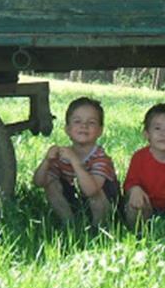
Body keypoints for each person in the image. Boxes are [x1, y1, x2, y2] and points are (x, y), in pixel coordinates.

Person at [32, 97, 119, 228]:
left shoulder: (101, 158)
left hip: (103, 205)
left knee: (96, 193)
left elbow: (91, 191)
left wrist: (75, 161)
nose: (84, 126)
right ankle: (69, 223)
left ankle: (98, 229)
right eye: (77, 121)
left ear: (100, 131)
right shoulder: (62, 156)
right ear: (67, 129)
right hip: (76, 201)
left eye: (91, 122)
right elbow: (38, 183)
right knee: (50, 184)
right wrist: (47, 161)